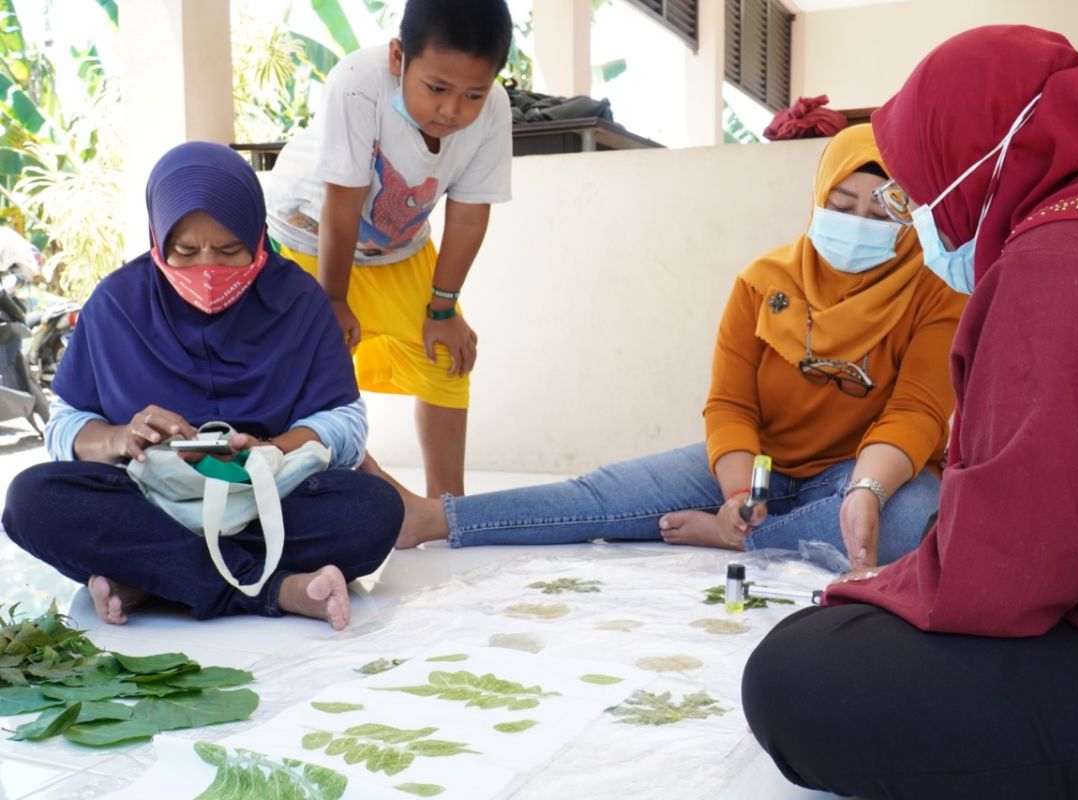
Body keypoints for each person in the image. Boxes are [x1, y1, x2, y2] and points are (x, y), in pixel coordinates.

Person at [742, 25, 1078, 799]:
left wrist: (884, 578)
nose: (900, 216)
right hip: (768, 468)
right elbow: (729, 400)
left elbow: (1002, 544)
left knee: (799, 670)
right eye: (847, 201)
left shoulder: (1060, 259)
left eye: (905, 194)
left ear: (971, 162)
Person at [394, 124, 965, 566]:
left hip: (859, 469)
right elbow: (732, 407)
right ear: (818, 198)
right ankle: (434, 519)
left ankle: (740, 540)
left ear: (910, 218)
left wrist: (864, 491)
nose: (858, 223)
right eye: (841, 207)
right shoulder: (763, 282)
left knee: (914, 520)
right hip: (759, 457)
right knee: (600, 495)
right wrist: (740, 490)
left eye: (880, 211)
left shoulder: (936, 294)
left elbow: (915, 414)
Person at [1, 142, 404, 631]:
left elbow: (344, 422)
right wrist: (119, 437)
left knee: (373, 509)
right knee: (31, 501)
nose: (206, 270)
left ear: (257, 237)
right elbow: (64, 426)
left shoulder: (297, 298)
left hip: (265, 496)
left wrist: (270, 449)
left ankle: (153, 579)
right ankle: (276, 590)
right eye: (185, 251)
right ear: (158, 237)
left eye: (229, 250)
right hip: (149, 497)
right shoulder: (117, 303)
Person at [266, 0, 514, 498]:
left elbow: (467, 214)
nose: (452, 110)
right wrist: (332, 301)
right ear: (399, 58)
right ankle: (349, 491)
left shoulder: (493, 112)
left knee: (446, 356)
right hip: (308, 238)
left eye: (472, 94)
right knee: (312, 363)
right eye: (437, 88)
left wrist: (443, 308)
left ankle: (447, 506)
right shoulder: (359, 82)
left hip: (397, 246)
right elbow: (343, 202)